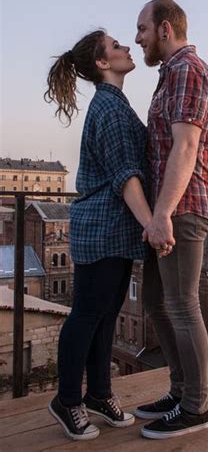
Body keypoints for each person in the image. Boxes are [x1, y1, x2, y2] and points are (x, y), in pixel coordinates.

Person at [44, 29, 157, 441]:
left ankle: (100, 394)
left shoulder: (115, 103)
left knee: (106, 315)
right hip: (101, 229)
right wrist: (152, 224)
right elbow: (125, 177)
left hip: (114, 231)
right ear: (102, 64)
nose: (127, 46)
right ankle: (68, 400)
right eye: (115, 46)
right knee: (87, 316)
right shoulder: (108, 108)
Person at [134, 0, 208, 440]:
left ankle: (196, 407)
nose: (137, 38)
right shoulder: (169, 75)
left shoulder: (188, 70)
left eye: (142, 29)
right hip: (165, 214)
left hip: (182, 211)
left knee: (184, 306)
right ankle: (180, 390)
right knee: (154, 300)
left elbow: (186, 148)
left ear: (165, 29)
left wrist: (163, 214)